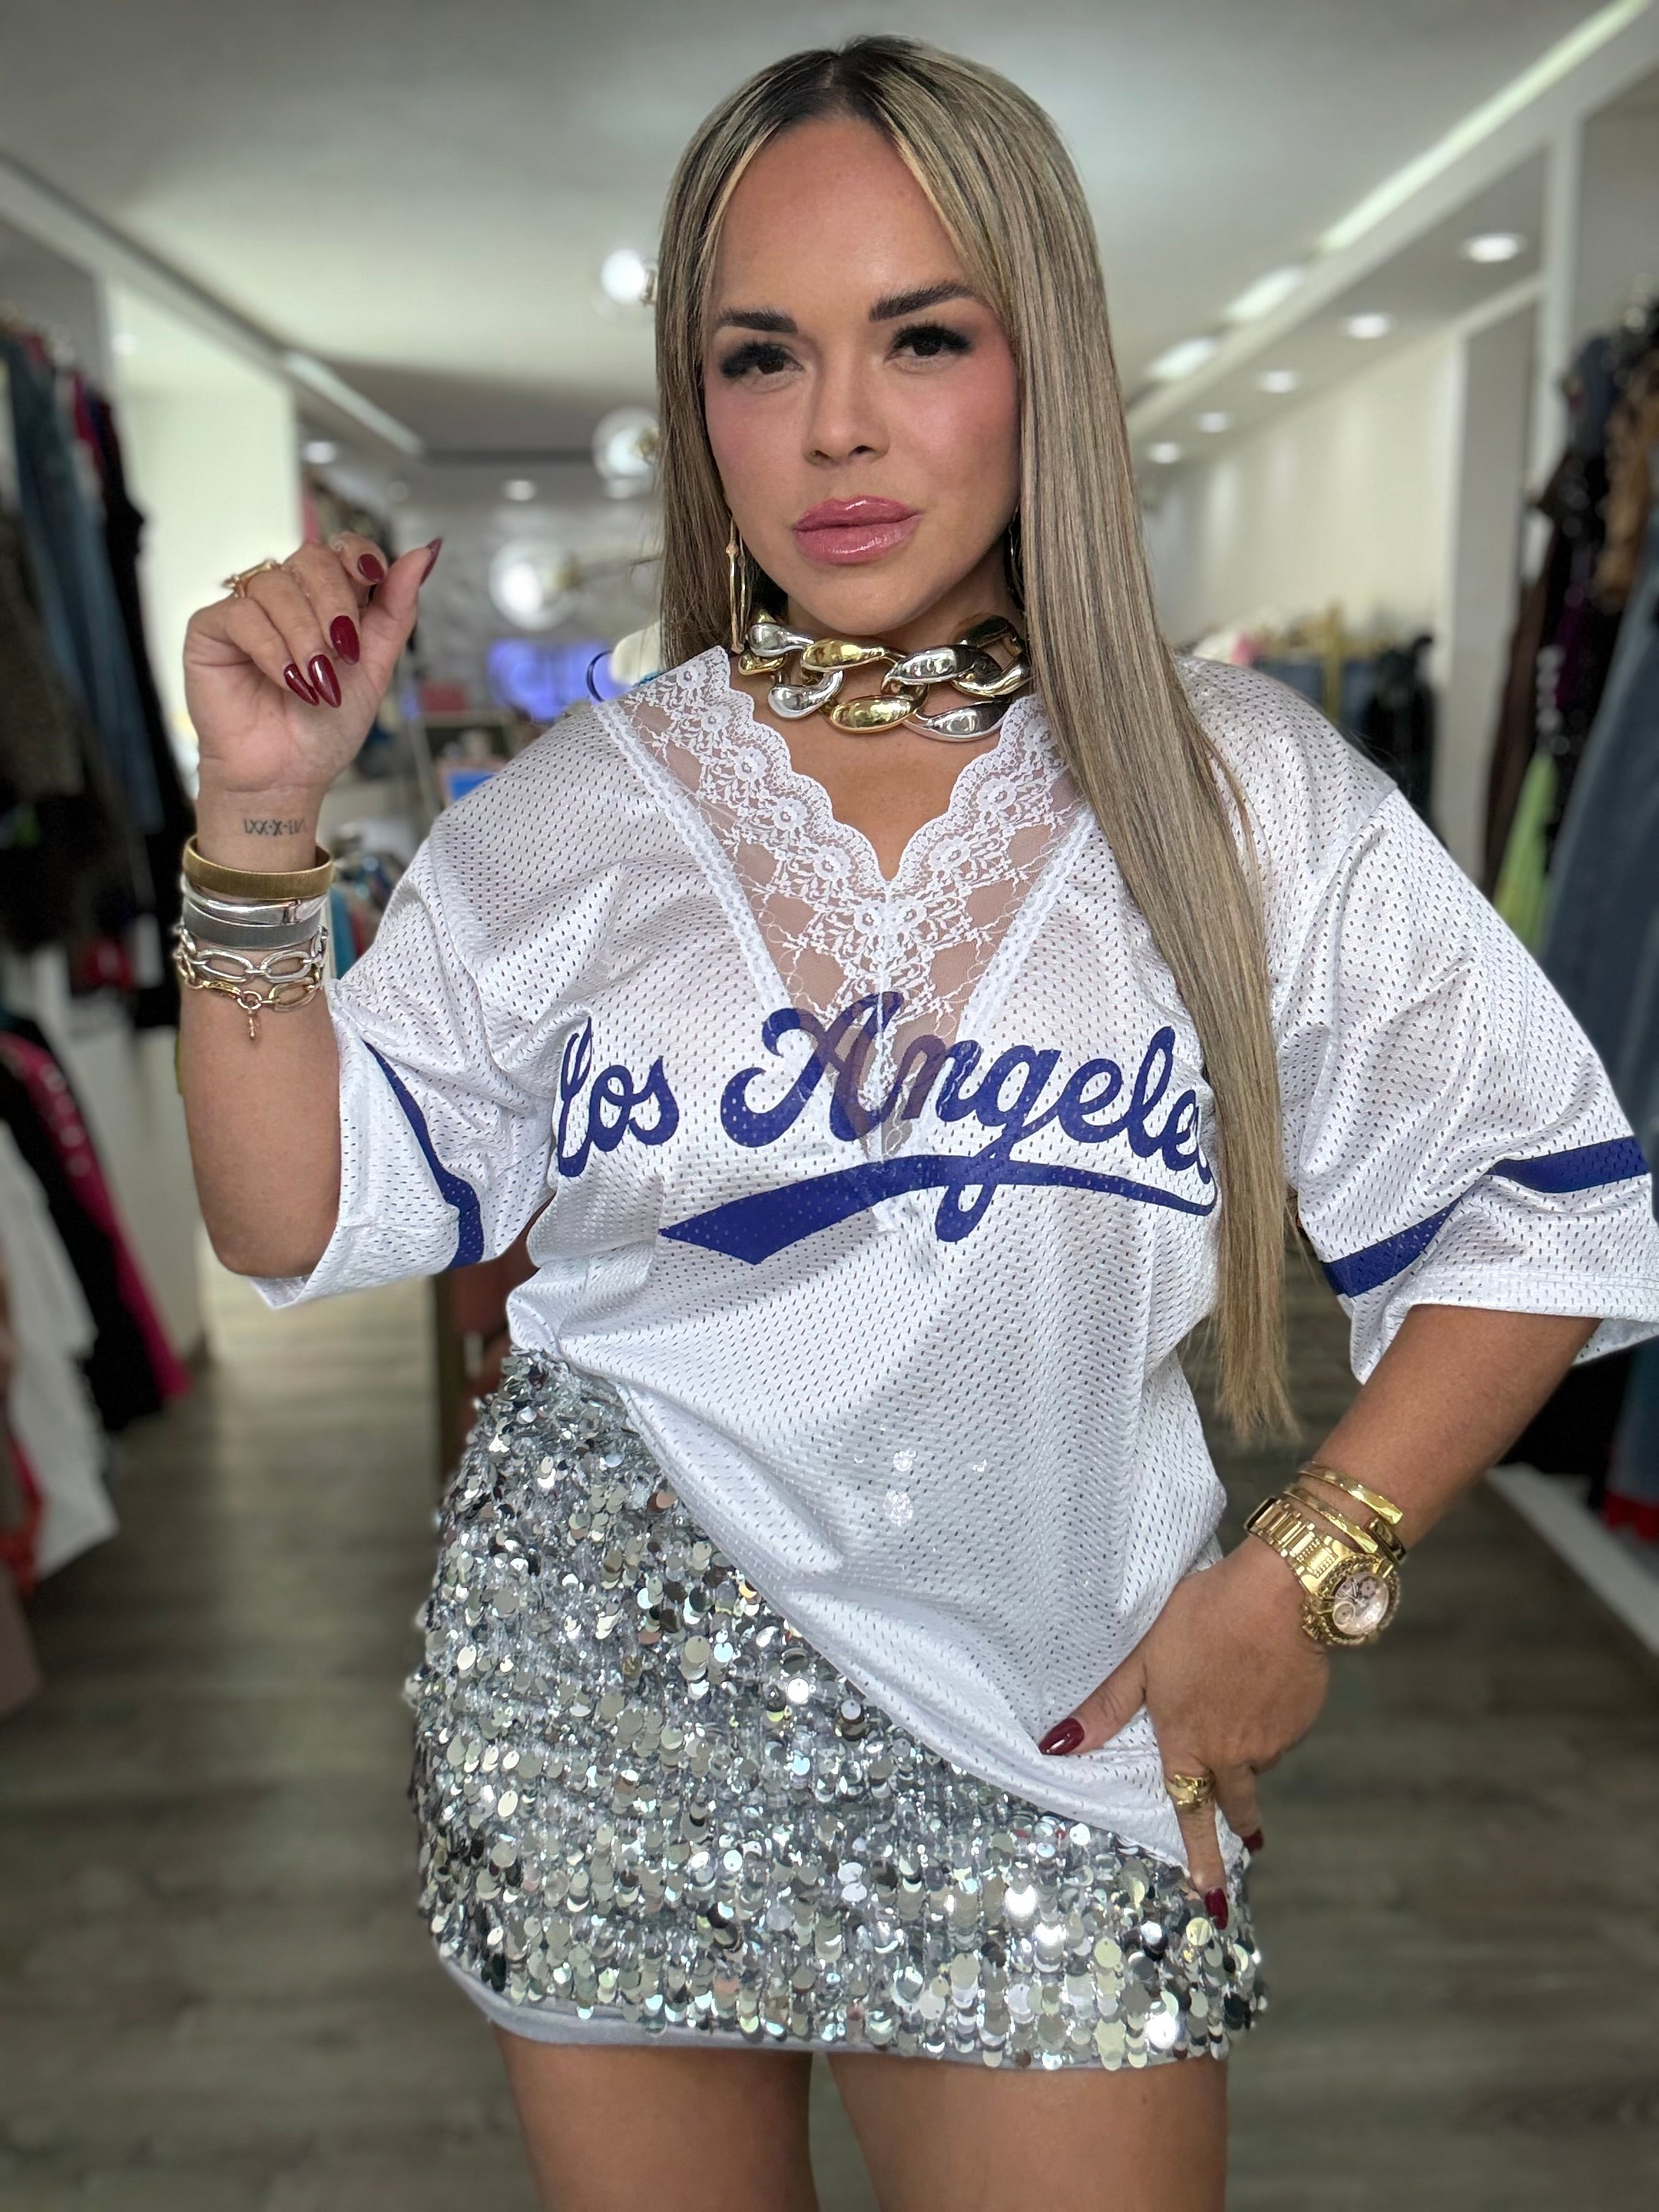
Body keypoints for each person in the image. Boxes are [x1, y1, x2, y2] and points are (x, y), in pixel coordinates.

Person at [174, 36, 1659, 2212]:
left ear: (1042, 358)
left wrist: (1306, 1572)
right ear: (700, 403)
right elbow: (289, 1213)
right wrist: (257, 817)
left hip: (1060, 1710)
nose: (838, 428)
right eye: (761, 356)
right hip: (604, 1690)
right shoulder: (565, 819)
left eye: (923, 338)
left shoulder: (1245, 791)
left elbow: (1538, 1211)